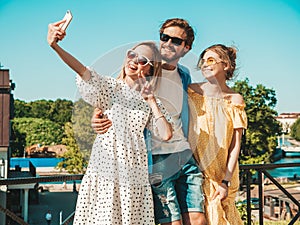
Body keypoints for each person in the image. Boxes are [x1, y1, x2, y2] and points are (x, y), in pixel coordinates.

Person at [47, 19, 173, 225]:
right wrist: (55, 46)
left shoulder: (150, 100)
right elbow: (82, 71)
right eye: (132, 54)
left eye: (143, 60)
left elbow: (166, 134)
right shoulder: (110, 87)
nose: (135, 61)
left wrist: (151, 101)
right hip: (106, 170)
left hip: (133, 173)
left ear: (150, 69)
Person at [92, 18, 207, 225]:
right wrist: (97, 113)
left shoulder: (184, 75)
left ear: (186, 48)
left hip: (184, 154)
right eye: (165, 37)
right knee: (173, 222)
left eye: (176, 41)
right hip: (157, 160)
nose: (168, 43)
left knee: (198, 220)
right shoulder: (145, 69)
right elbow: (111, 90)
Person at [188, 44, 247, 225]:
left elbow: (235, 145)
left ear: (226, 65)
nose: (205, 64)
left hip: (222, 176)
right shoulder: (191, 91)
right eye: (203, 61)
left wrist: (225, 182)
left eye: (211, 60)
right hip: (195, 173)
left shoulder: (235, 99)